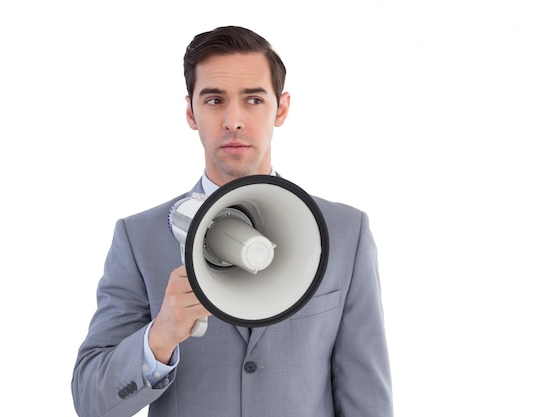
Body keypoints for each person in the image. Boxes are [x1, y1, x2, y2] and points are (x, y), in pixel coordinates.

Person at [71, 26, 393, 417]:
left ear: (282, 108)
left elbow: (366, 398)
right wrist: (159, 337)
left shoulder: (345, 232)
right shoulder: (138, 239)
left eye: (254, 99)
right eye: (214, 100)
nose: (233, 120)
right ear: (191, 112)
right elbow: (91, 402)